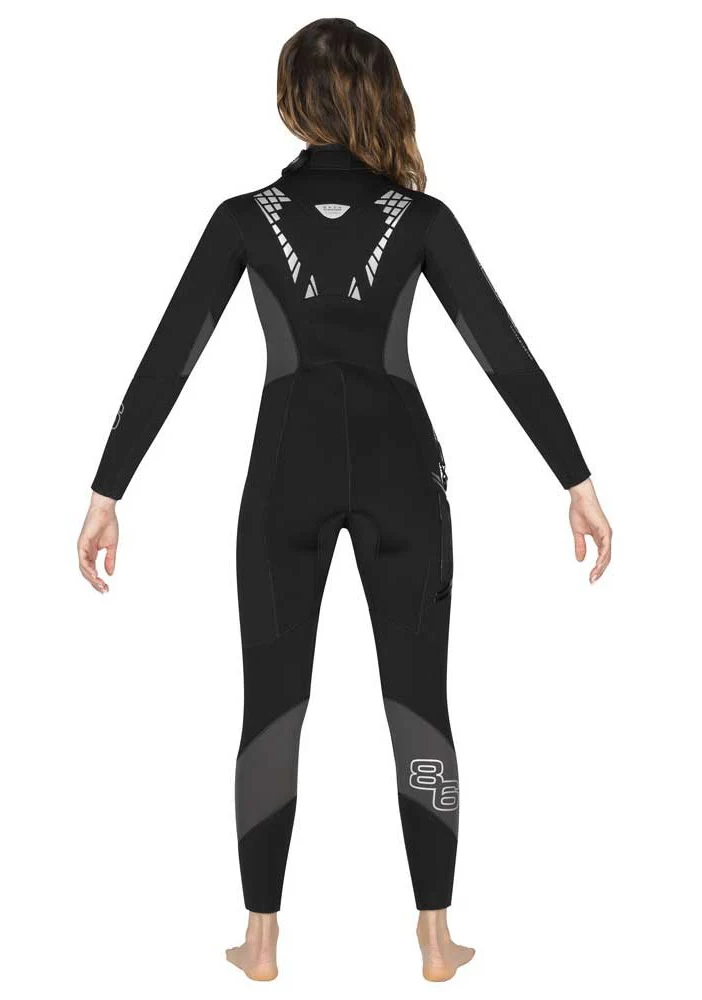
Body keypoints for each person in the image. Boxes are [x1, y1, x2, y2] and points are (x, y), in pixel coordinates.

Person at [77, 17, 612, 983]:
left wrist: (107, 490)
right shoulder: (421, 219)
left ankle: (262, 940)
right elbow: (502, 351)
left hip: (283, 480)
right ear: (378, 96)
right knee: (419, 702)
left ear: (294, 101)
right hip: (407, 482)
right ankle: (437, 937)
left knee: (272, 705)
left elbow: (171, 355)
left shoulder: (244, 219)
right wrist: (575, 480)